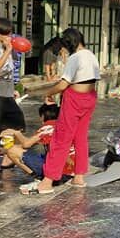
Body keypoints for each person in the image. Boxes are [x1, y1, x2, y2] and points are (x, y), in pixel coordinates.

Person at [21, 27, 99, 195]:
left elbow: (63, 84)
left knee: (61, 138)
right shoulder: (91, 55)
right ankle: (79, 177)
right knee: (80, 138)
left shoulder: (75, 58)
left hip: (75, 99)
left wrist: (48, 93)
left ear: (70, 44)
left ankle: (48, 181)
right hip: (90, 98)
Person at [0, 103, 59, 178]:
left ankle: (37, 177)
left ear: (43, 116)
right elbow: (31, 143)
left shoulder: (48, 127)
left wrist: (16, 133)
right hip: (68, 167)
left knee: (12, 151)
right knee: (15, 149)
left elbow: (26, 144)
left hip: (55, 169)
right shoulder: (62, 126)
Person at [0, 18, 26, 134]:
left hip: (7, 93)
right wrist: (8, 51)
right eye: (4, 33)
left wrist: (13, 89)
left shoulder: (7, 47)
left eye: (9, 33)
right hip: (0, 94)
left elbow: (9, 71)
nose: (8, 36)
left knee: (16, 125)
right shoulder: (5, 49)